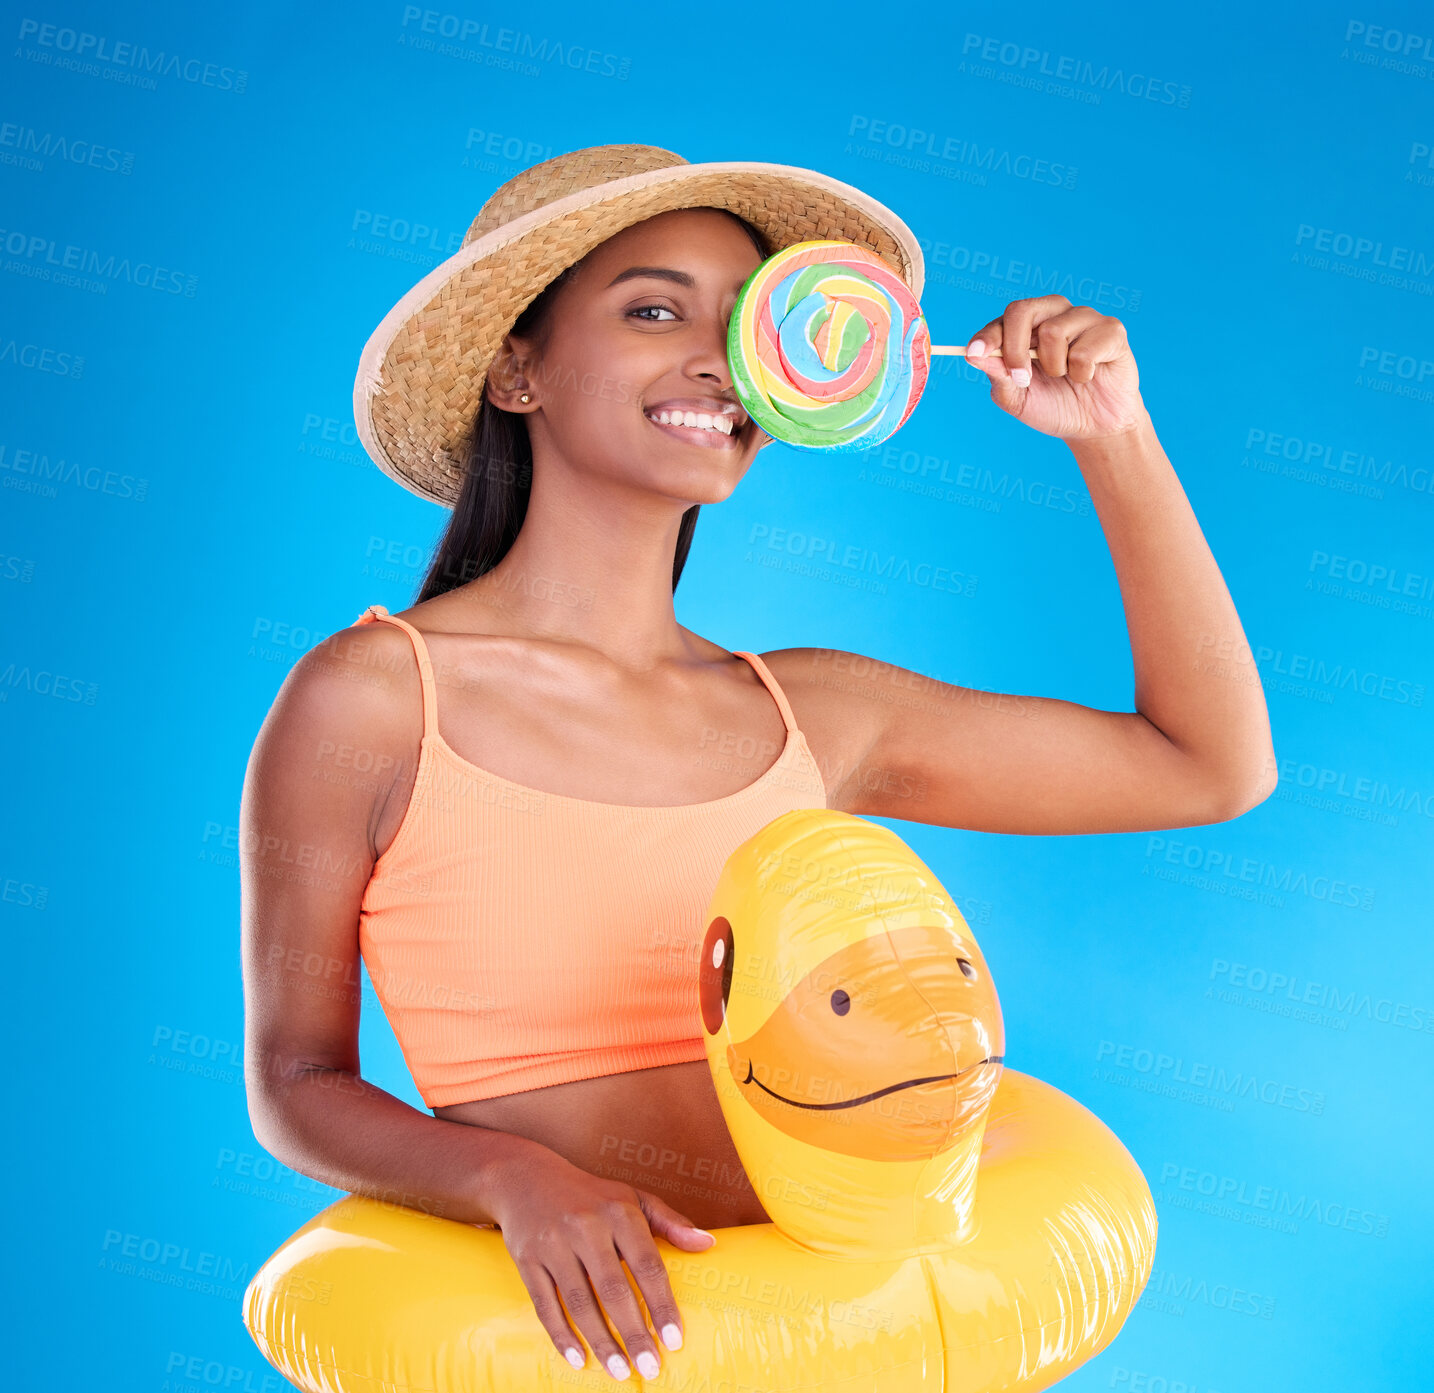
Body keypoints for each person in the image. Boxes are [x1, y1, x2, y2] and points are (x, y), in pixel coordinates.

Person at [239, 145, 1276, 1384]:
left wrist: (1115, 436)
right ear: (517, 368)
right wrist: (512, 1177)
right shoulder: (370, 699)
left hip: (853, 1346)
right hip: (596, 1357)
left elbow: (1207, 766)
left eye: (744, 327)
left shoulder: (817, 712)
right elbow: (296, 1081)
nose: (710, 359)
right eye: (652, 308)